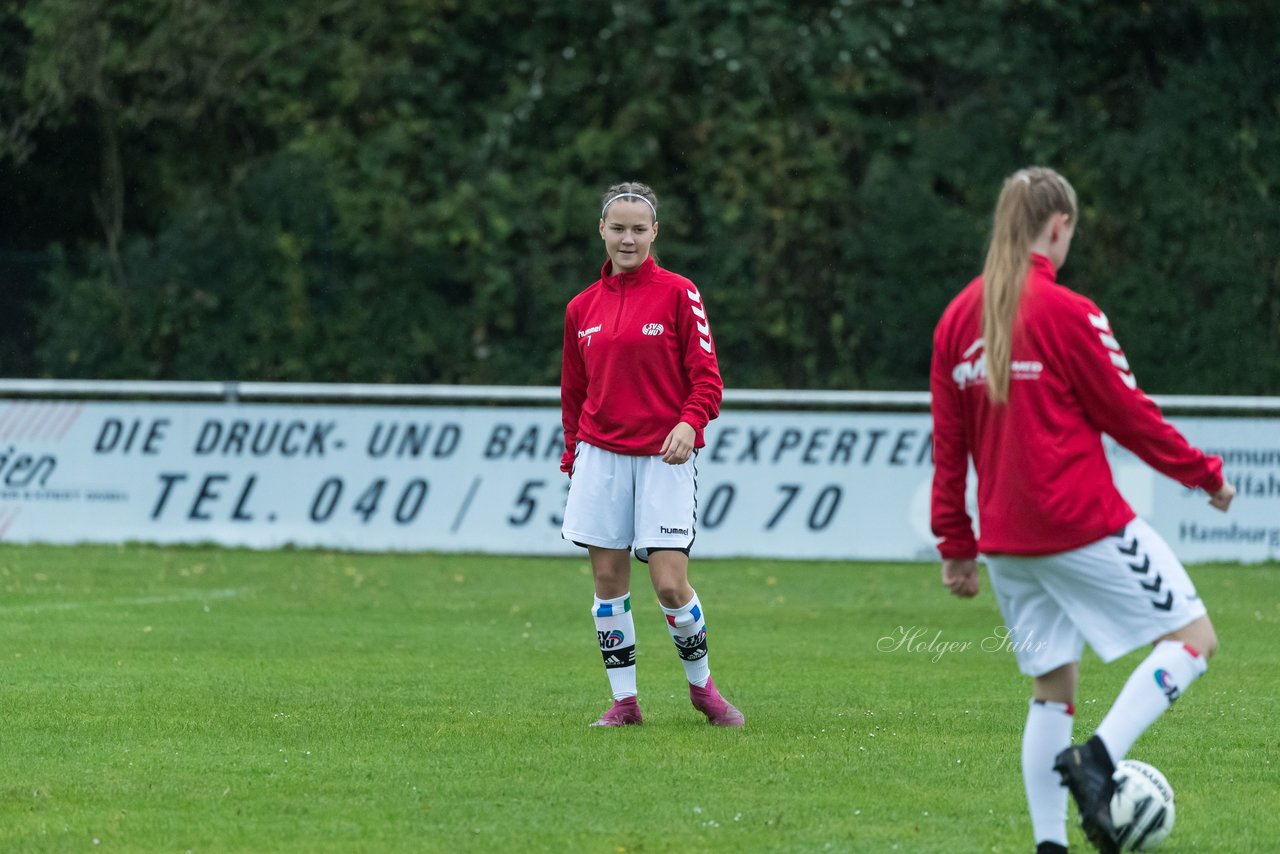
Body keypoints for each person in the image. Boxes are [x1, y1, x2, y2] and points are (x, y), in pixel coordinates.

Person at [929, 167, 1235, 853]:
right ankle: (1098, 759)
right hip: (1080, 523)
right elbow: (1131, 417)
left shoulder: (956, 318)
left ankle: (1050, 845)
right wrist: (1204, 475)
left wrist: (957, 544)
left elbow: (949, 450)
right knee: (1193, 638)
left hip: (1007, 542)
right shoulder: (1071, 313)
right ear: (1058, 227)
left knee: (1052, 689)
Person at [559, 181, 744, 728]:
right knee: (608, 585)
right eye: (618, 228)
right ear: (602, 230)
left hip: (664, 457)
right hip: (600, 457)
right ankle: (625, 702)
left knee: (668, 582)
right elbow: (574, 394)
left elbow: (707, 379)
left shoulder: (679, 293)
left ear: (654, 232)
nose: (628, 238)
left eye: (639, 229)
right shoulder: (580, 308)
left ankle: (703, 689)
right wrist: (573, 457)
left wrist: (690, 422)